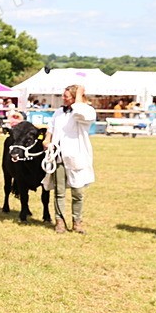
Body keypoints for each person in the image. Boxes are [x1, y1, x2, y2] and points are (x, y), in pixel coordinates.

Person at [44, 84, 96, 234]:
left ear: (75, 98)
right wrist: (47, 140)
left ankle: (77, 222)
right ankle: (59, 221)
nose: (63, 98)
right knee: (59, 190)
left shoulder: (86, 111)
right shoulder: (59, 112)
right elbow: (51, 127)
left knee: (78, 191)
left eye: (66, 96)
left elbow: (81, 112)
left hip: (76, 155)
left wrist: (79, 94)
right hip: (58, 155)